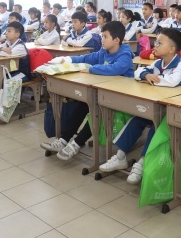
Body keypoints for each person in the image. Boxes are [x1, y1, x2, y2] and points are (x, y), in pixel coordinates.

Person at [98, 28, 181, 184]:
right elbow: (138, 72)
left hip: (172, 114)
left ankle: (142, 162)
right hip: (156, 106)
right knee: (137, 119)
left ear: (171, 49)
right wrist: (146, 75)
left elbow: (171, 82)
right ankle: (120, 156)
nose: (155, 45)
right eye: (155, 42)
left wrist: (152, 78)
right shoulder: (157, 63)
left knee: (156, 126)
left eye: (159, 43)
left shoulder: (179, 67)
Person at [40, 21, 135, 160]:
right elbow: (87, 58)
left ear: (116, 40)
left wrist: (91, 69)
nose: (102, 40)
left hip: (122, 98)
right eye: (102, 36)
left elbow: (115, 68)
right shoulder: (104, 51)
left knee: (98, 110)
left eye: (105, 37)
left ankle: (76, 144)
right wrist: (67, 59)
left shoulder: (125, 55)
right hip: (104, 93)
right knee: (83, 103)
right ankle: (64, 139)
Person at [0, 21, 31, 111]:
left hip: (22, 73)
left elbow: (4, 55)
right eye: (6, 31)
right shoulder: (7, 43)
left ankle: (3, 107)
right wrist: (2, 48)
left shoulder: (20, 46)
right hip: (10, 71)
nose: (6, 33)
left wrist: (1, 51)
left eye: (9, 31)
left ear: (17, 34)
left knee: (7, 81)